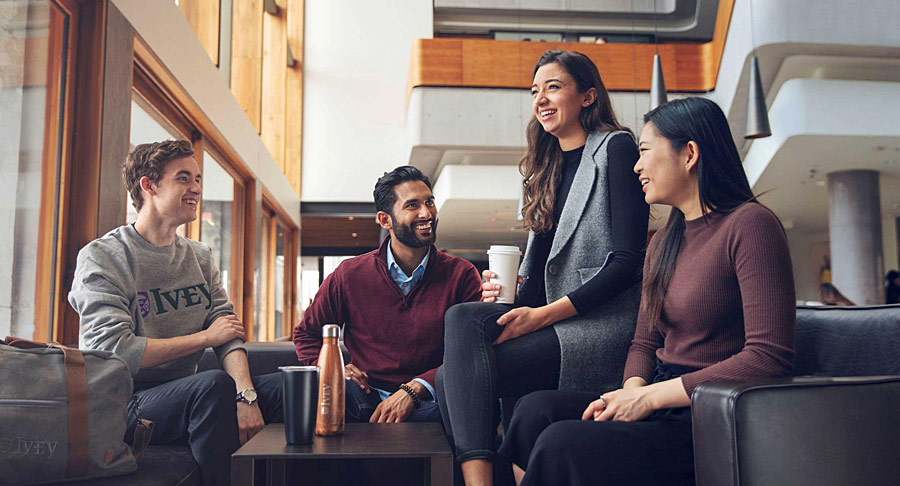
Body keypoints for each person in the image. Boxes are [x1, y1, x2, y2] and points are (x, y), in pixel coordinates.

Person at [498, 97, 796, 486]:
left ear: (689, 154)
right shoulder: (663, 241)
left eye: (644, 151)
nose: (636, 166)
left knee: (562, 442)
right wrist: (630, 393)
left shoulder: (751, 225)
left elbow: (768, 358)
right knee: (534, 411)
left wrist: (650, 398)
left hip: (709, 415)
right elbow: (643, 342)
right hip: (659, 398)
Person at [436, 50, 649, 485]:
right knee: (462, 318)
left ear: (588, 96)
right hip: (550, 320)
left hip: (599, 324)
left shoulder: (615, 148)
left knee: (449, 381)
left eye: (553, 87)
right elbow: (541, 279)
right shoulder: (544, 166)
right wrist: (511, 291)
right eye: (535, 91)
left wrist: (542, 315)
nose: (541, 99)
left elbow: (627, 263)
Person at [69, 140, 282, 486]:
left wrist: (246, 394)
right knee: (212, 386)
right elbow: (114, 350)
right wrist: (205, 338)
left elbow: (226, 332)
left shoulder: (199, 256)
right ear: (149, 186)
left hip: (190, 395)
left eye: (198, 179)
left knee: (294, 387)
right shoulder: (103, 257)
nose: (196, 188)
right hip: (125, 406)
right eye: (184, 178)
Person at [293, 166, 482, 424]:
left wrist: (415, 389)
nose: (427, 213)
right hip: (362, 398)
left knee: (465, 410)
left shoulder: (462, 275)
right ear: (385, 220)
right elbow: (307, 334)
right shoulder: (350, 274)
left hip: (431, 400)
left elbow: (471, 351)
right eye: (412, 205)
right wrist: (332, 368)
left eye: (429, 202)